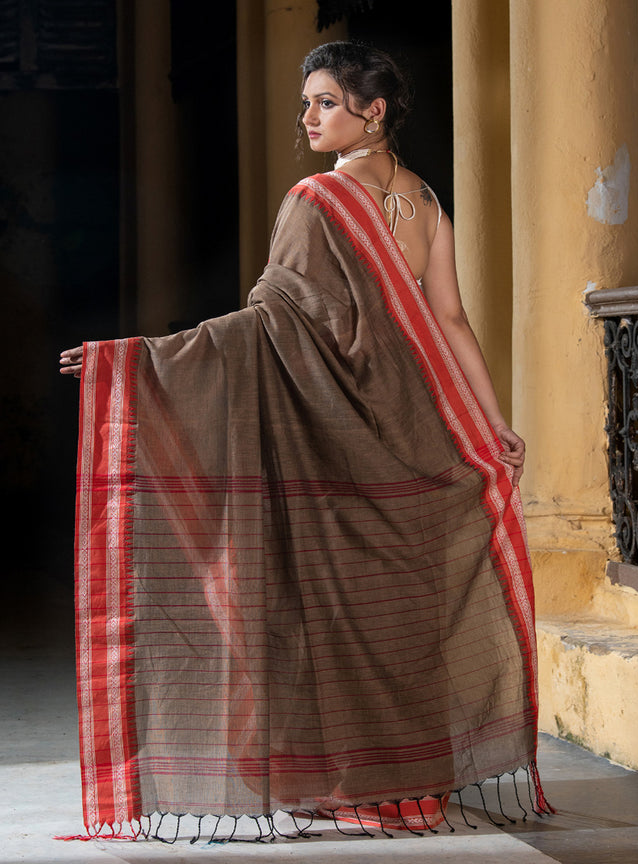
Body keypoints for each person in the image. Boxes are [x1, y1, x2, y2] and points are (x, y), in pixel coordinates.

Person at [59, 41, 548, 842]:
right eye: (307, 103)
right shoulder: (426, 202)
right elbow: (451, 320)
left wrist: (140, 362)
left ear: (372, 110)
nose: (308, 118)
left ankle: (357, 786)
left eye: (325, 102)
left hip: (334, 433)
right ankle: (410, 792)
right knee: (398, 615)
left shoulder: (316, 199)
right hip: (416, 428)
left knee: (327, 610)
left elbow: (270, 324)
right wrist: (489, 422)